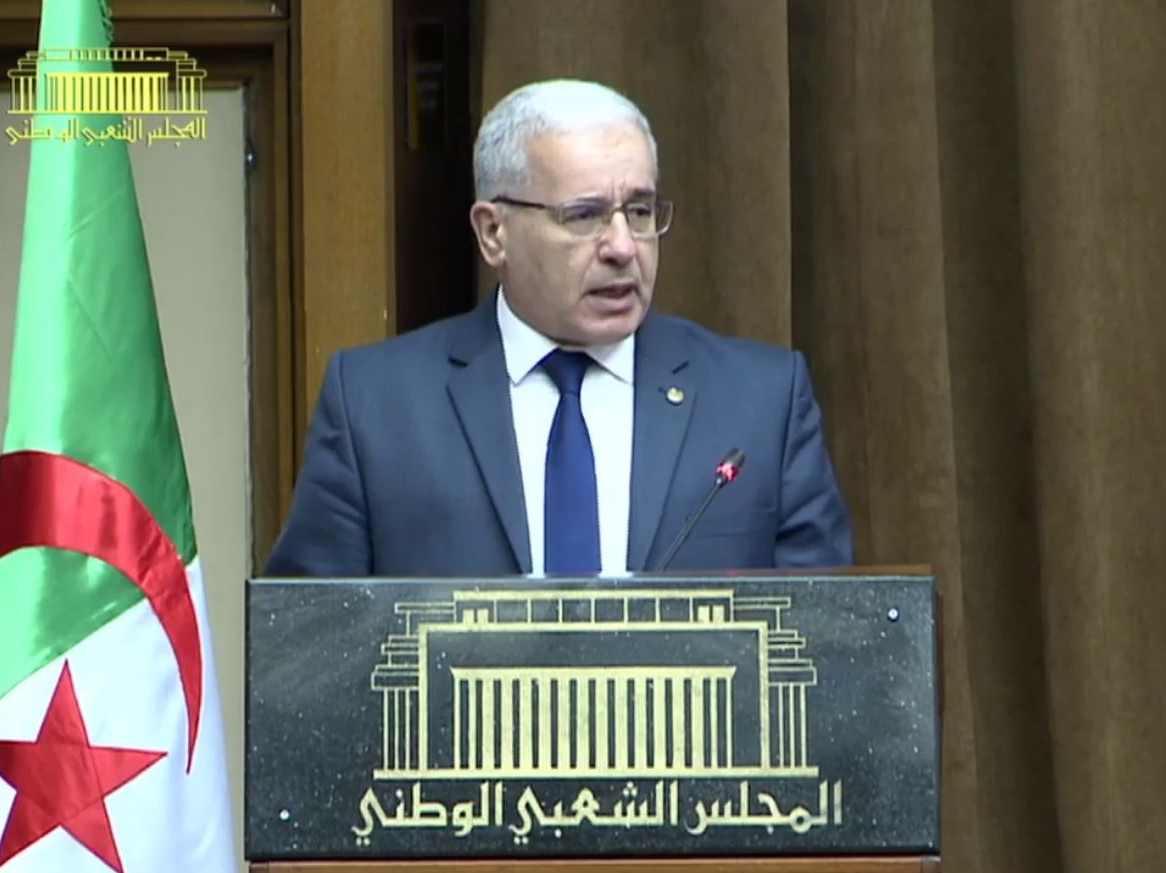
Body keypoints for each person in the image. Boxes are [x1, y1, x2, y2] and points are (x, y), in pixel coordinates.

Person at [266, 79, 851, 578]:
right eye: (584, 215)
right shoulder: (375, 407)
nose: (623, 247)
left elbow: (829, 642)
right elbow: (311, 647)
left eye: (639, 211)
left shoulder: (761, 402)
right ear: (493, 233)